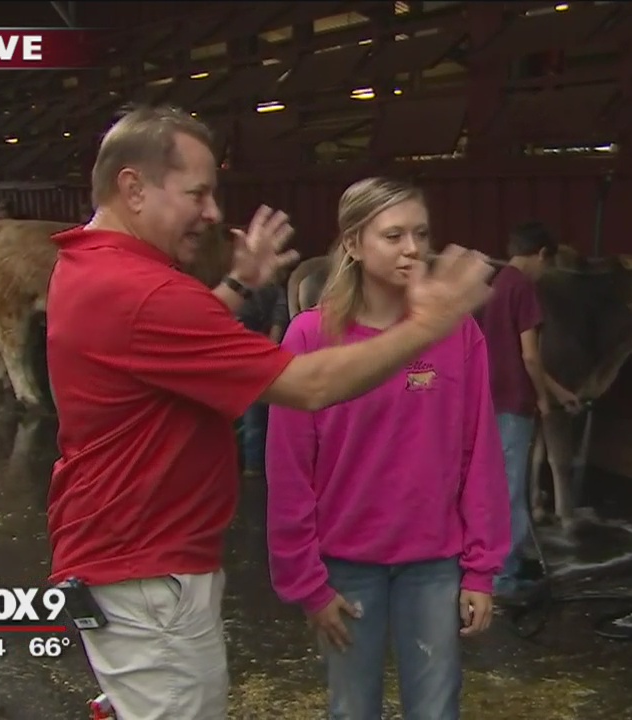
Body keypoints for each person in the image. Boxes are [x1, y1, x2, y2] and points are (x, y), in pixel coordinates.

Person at [42, 106, 497, 720]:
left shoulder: (101, 271)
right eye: (198, 192)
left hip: (140, 560)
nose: (211, 212)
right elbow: (306, 389)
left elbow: (173, 338)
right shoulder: (151, 292)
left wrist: (236, 286)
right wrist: (430, 324)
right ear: (133, 188)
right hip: (147, 567)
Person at [265, 176, 511, 720]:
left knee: (436, 707)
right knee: (352, 708)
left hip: (433, 563)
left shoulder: (457, 333)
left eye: (420, 233)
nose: (413, 249)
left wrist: (481, 568)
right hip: (346, 566)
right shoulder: (309, 338)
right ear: (353, 244)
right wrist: (306, 580)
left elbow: (480, 454)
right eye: (393, 235)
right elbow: (288, 470)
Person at [474, 220, 581, 599]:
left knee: (496, 485)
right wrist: (542, 397)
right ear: (541, 255)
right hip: (514, 401)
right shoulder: (525, 288)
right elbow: (530, 357)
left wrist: (560, 390)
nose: (545, 270)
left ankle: (499, 566)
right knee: (511, 490)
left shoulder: (499, 283)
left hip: (490, 397)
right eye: (546, 263)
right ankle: (504, 577)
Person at [236, 280, 287, 475]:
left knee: (254, 415)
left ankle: (253, 463)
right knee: (257, 414)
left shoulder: (243, 287)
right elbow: (280, 315)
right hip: (259, 352)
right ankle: (256, 463)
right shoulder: (273, 288)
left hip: (249, 351)